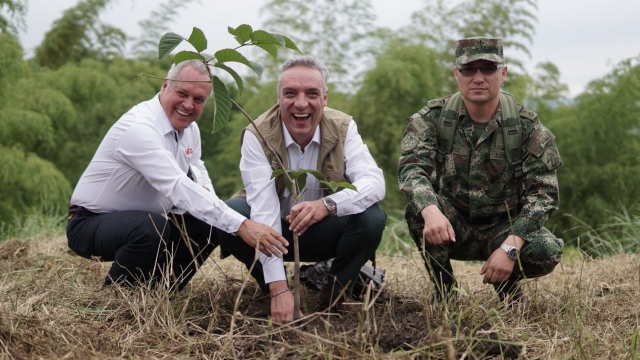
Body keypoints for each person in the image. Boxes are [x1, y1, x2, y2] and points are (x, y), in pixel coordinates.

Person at [67, 60, 288, 290]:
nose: (188, 105)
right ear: (164, 86)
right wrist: (241, 224)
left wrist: (217, 211)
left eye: (199, 100)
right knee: (149, 227)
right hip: (90, 223)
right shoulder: (139, 128)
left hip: (151, 221)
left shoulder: (189, 129)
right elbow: (177, 186)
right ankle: (118, 299)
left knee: (209, 223)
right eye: (182, 93)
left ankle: (159, 292)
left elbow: (197, 170)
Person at [219, 55, 386, 322]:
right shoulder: (257, 134)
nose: (301, 103)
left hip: (326, 229)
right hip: (275, 234)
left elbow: (374, 182)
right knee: (232, 213)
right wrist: (279, 289)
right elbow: (264, 211)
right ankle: (269, 290)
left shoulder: (343, 127)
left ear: (325, 98)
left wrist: (327, 205)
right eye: (290, 93)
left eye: (312, 93)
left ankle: (338, 291)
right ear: (278, 98)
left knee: (371, 217)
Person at [398, 37, 564, 303]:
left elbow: (544, 195)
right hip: (453, 225)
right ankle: (445, 293)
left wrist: (510, 248)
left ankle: (507, 287)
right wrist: (431, 211)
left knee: (546, 250)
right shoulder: (432, 119)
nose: (478, 78)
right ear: (456, 73)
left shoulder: (525, 127)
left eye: (487, 69)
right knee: (418, 211)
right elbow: (412, 169)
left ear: (503, 73)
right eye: (468, 70)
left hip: (503, 227)